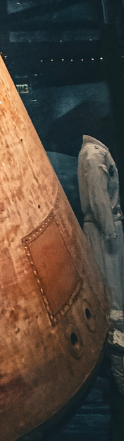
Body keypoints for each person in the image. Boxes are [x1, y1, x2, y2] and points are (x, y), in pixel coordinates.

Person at [78, 134, 124, 314]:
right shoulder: (95, 154)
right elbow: (99, 196)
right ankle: (117, 329)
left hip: (102, 225)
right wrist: (110, 230)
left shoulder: (91, 152)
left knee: (113, 280)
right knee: (113, 284)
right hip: (104, 227)